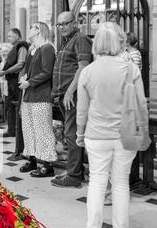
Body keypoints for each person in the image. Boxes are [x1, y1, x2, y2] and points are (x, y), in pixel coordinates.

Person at [76, 23, 146, 228]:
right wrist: (142, 129)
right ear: (119, 42)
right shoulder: (130, 69)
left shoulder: (88, 72)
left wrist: (79, 133)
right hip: (125, 135)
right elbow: (141, 104)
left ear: (96, 43)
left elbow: (82, 110)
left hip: (96, 135)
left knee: (97, 181)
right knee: (121, 182)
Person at [51, 11, 93, 189]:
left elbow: (83, 67)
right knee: (70, 133)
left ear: (74, 23)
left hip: (73, 96)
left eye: (65, 23)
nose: (62, 27)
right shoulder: (65, 41)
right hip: (63, 95)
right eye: (59, 24)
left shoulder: (80, 39)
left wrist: (69, 91)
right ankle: (75, 170)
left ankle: (74, 176)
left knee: (72, 134)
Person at [19, 22, 57, 178]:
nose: (28, 30)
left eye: (31, 27)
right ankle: (32, 159)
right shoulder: (32, 49)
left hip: (41, 95)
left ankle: (48, 165)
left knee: (43, 130)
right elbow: (30, 70)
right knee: (28, 129)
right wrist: (24, 77)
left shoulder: (47, 48)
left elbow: (47, 72)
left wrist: (30, 82)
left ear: (39, 30)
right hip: (28, 94)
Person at [0, 28, 27, 138]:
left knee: (16, 105)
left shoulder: (22, 47)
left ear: (17, 36)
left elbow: (21, 64)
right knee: (10, 106)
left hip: (17, 80)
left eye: (10, 36)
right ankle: (11, 129)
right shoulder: (15, 47)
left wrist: (5, 71)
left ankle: (17, 131)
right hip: (11, 80)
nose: (8, 38)